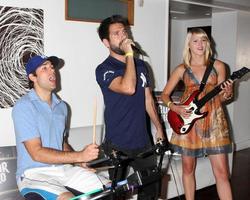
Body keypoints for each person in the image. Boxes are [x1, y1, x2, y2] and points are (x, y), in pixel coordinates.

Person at [12, 55, 109, 200]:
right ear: (33, 77)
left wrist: (79, 161)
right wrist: (79, 155)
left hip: (62, 169)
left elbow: (62, 143)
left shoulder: (62, 107)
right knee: (68, 199)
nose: (52, 71)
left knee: (110, 189)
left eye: (52, 67)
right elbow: (36, 153)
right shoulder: (24, 106)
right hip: (34, 174)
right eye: (44, 68)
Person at [95, 15, 165, 200]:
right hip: (117, 144)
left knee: (151, 193)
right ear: (106, 42)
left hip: (143, 141)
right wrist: (129, 55)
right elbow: (128, 87)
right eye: (116, 34)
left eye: (124, 31)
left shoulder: (142, 65)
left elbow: (148, 99)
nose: (123, 36)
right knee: (117, 195)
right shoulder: (104, 69)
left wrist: (159, 128)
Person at [161, 28, 233, 200]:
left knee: (222, 173)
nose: (200, 44)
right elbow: (164, 95)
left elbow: (221, 99)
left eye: (204, 40)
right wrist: (175, 107)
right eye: (196, 41)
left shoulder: (218, 66)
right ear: (189, 45)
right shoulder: (181, 69)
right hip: (188, 122)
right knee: (188, 169)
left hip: (214, 122)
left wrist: (228, 92)